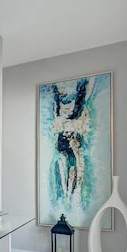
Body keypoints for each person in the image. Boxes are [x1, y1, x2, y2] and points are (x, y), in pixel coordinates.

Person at [50, 77, 93, 207]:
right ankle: (68, 195)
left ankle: (72, 194)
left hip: (74, 143)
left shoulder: (80, 109)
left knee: (74, 168)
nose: (66, 107)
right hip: (65, 143)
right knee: (65, 167)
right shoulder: (58, 109)